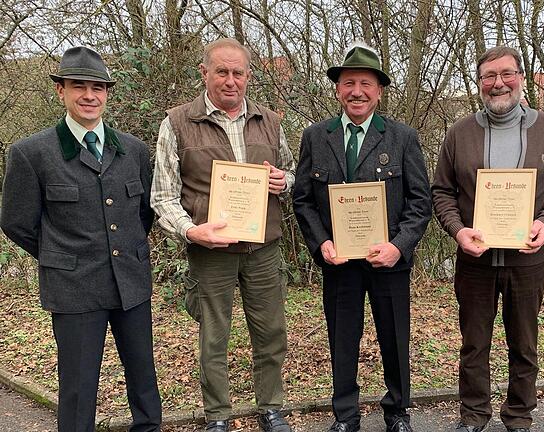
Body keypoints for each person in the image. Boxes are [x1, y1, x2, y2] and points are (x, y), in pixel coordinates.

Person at [0, 46, 161, 432]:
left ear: (107, 93)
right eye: (79, 86)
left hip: (131, 284)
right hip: (73, 289)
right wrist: (61, 254)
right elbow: (17, 222)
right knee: (77, 388)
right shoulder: (31, 153)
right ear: (60, 91)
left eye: (98, 88)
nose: (89, 96)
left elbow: (145, 212)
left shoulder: (134, 150)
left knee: (143, 380)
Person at [150, 38, 295, 432]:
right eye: (222, 72)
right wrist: (191, 231)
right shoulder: (177, 122)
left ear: (248, 76)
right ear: (205, 73)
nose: (231, 81)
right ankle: (217, 416)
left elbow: (291, 173)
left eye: (238, 73)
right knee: (214, 337)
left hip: (262, 246)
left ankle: (271, 407)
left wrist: (284, 182)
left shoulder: (270, 120)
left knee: (271, 332)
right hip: (210, 249)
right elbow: (162, 196)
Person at [432, 46, 544, 432]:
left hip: (527, 259)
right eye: (488, 76)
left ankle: (518, 417)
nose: (498, 83)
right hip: (474, 259)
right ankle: (474, 416)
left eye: (506, 74)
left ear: (521, 78)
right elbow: (441, 192)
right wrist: (458, 230)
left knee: (524, 345)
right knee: (474, 345)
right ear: (479, 83)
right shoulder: (460, 132)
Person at [292, 43, 431, 432]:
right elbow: (302, 199)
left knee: (394, 339)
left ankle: (397, 412)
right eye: (349, 82)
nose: (357, 91)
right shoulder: (316, 136)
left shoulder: (402, 137)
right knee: (342, 340)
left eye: (365, 83)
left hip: (387, 261)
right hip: (339, 262)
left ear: (379, 90)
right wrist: (321, 243)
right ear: (337, 89)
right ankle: (346, 415)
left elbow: (421, 201)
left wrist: (398, 246)